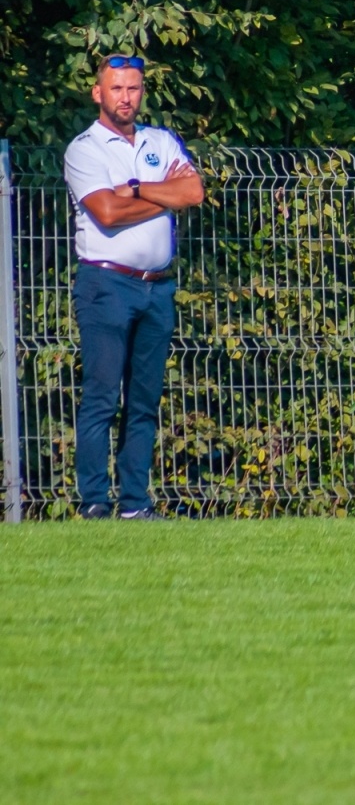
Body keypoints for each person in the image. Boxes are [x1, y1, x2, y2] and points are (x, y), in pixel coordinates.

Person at [62, 55, 204, 520]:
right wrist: (160, 194)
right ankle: (95, 503)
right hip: (106, 284)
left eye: (134, 88)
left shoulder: (160, 140)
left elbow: (192, 194)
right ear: (98, 93)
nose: (126, 97)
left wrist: (135, 189)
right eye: (117, 88)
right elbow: (106, 212)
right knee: (102, 396)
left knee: (143, 401)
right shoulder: (85, 148)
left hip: (156, 289)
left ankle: (136, 505)